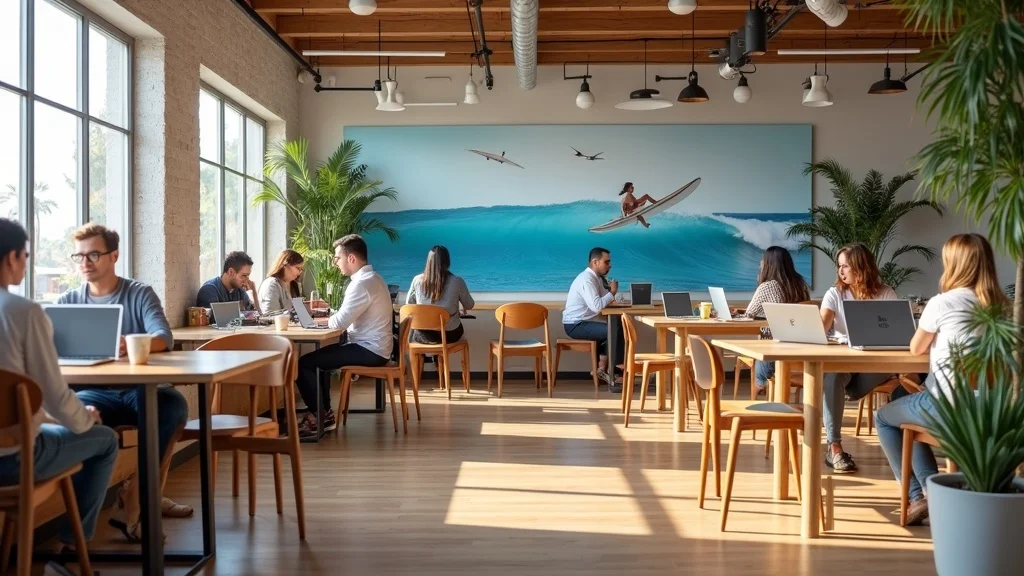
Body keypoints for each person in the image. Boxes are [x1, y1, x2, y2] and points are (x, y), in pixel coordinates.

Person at [56, 223, 191, 540]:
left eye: (93, 254)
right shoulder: (67, 301)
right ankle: (90, 529)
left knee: (171, 407)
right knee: (76, 417)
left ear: (114, 255)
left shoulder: (138, 293)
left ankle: (136, 500)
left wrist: (127, 343)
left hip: (136, 390)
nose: (85, 262)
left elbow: (163, 337)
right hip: (90, 393)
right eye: (79, 256)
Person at [0, 218, 119, 553]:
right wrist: (85, 418)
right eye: (24, 255)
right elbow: (51, 393)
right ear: (12, 258)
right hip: (14, 459)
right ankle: (69, 551)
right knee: (106, 440)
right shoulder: (24, 312)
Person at [876, 234, 1007, 525]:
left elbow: (916, 348)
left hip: (948, 408)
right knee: (904, 402)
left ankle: (919, 496)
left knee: (885, 417)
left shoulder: (942, 303)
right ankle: (933, 487)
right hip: (995, 411)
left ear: (955, 265)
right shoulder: (1004, 306)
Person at [294, 235, 393, 438]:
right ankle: (324, 414)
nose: (335, 262)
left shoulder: (361, 284)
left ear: (351, 258)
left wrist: (317, 322)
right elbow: (349, 314)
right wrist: (330, 311)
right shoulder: (372, 279)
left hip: (369, 350)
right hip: (375, 347)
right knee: (318, 362)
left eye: (337, 257)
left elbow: (340, 323)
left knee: (305, 364)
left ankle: (320, 415)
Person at [819, 243, 899, 473]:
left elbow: (895, 330)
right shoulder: (835, 293)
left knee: (888, 368)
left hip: (874, 361)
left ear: (861, 267)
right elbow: (822, 326)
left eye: (846, 266)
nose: (841, 271)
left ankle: (849, 391)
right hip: (844, 361)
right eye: (839, 266)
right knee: (832, 377)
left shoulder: (885, 293)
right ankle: (834, 448)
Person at [744, 246, 811, 393]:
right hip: (802, 347)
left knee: (761, 346)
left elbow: (749, 314)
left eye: (763, 260)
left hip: (776, 350)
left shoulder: (767, 286)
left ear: (769, 263)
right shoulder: (801, 284)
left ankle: (759, 386)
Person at [563, 247, 624, 392]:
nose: (610, 265)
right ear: (595, 262)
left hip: (583, 322)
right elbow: (597, 306)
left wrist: (610, 294)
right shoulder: (586, 280)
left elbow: (604, 300)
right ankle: (613, 373)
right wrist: (613, 292)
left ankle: (603, 370)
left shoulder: (596, 278)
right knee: (614, 330)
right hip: (575, 325)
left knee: (615, 327)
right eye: (606, 262)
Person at [405, 245, 475, 344]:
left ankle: (427, 358)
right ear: (448, 261)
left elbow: (409, 305)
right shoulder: (457, 281)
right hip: (449, 334)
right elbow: (469, 305)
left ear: (428, 261)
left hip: (424, 334)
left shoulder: (417, 280)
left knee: (416, 334)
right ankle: (439, 358)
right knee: (455, 328)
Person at [259, 249, 305, 315]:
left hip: (293, 325)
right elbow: (270, 316)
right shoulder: (271, 284)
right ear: (285, 265)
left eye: (301, 269)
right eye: (298, 268)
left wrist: (311, 309)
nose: (300, 272)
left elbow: (301, 314)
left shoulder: (294, 285)